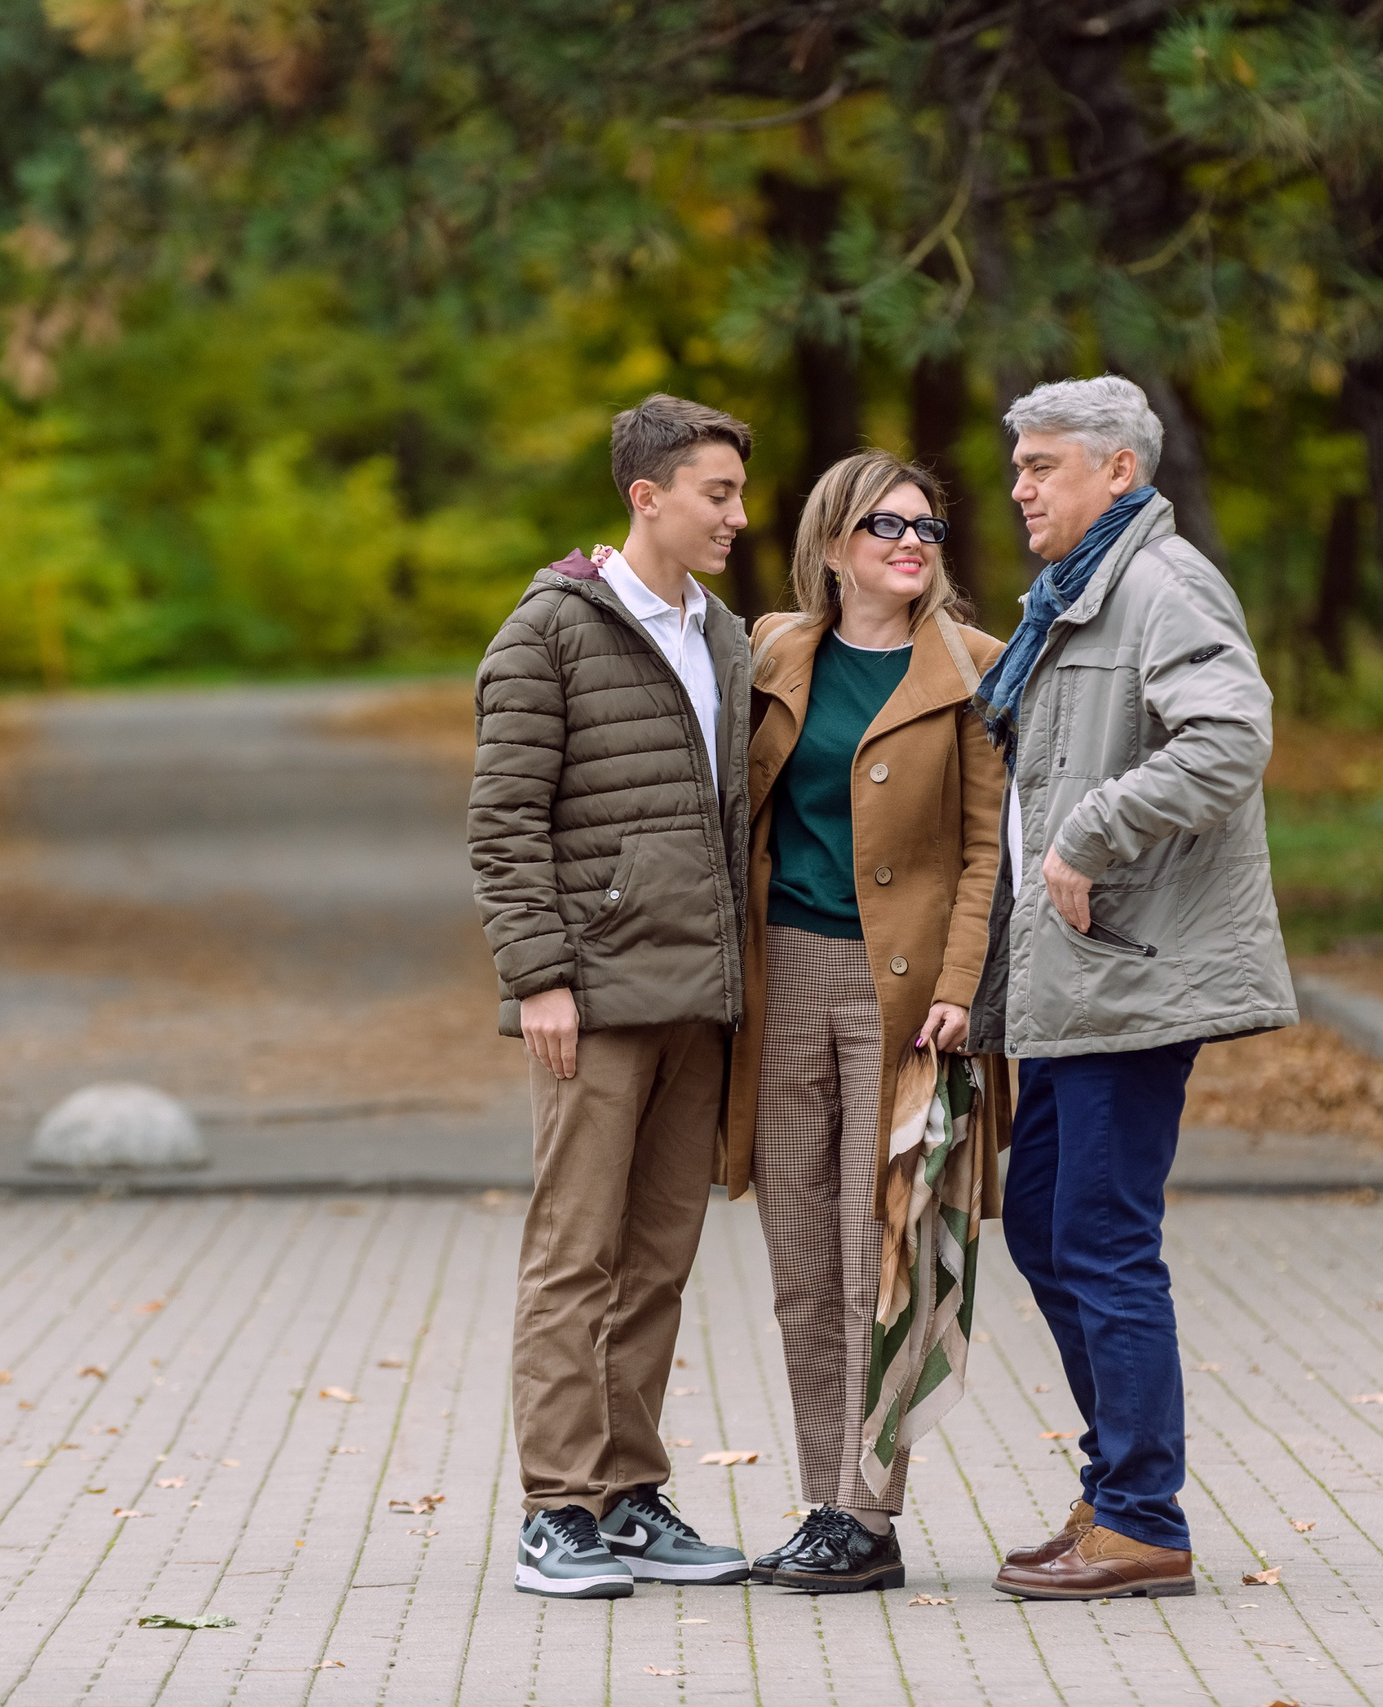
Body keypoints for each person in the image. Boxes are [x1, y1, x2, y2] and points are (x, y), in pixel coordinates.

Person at [970, 376, 1297, 1601]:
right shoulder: (1080, 593)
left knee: (1100, 1239)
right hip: (1077, 980)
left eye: (1043, 465)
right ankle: (1117, 1487)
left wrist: (1088, 833)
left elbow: (1226, 736)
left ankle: (1143, 1516)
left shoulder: (1161, 584)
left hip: (1131, 971)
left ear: (1118, 470)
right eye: (1018, 466)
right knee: (1048, 1221)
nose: (1020, 487)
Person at [469, 393, 759, 1600]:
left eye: (740, 493)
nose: (738, 516)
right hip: (591, 999)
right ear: (646, 497)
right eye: (717, 493)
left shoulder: (728, 636)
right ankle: (556, 1512)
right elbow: (501, 824)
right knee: (571, 1258)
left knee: (656, 1261)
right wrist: (538, 977)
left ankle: (630, 1497)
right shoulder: (548, 632)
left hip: (699, 995)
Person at [722, 448, 1008, 1593]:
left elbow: (991, 844)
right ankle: (823, 1503)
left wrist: (961, 982)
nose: (912, 544)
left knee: (878, 1248)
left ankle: (869, 1512)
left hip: (907, 1000)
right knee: (799, 1256)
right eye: (888, 526)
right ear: (834, 544)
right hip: (784, 977)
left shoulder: (974, 669)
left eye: (928, 528)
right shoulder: (770, 650)